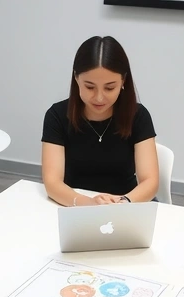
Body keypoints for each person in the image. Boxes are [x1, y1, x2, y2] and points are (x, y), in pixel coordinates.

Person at [42, 36, 159, 206]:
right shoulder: (57, 116)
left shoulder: (138, 116)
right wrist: (88, 203)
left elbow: (150, 181)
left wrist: (123, 202)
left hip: (127, 203)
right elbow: (52, 183)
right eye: (89, 87)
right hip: (74, 203)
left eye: (110, 88)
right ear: (76, 78)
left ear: (123, 81)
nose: (99, 97)